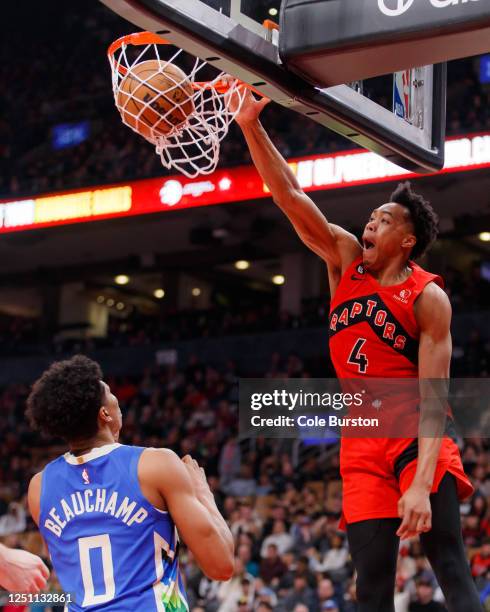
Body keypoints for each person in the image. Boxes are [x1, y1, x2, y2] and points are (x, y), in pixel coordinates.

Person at [233, 91, 482, 612]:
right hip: (361, 439)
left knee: (452, 569)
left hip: (416, 434)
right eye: (371, 216)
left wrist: (418, 483)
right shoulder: (345, 259)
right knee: (370, 586)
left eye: (384, 220)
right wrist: (251, 125)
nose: (371, 223)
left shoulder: (428, 297)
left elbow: (436, 397)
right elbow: (290, 195)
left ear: (407, 241)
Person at [26, 355, 234, 611]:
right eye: (111, 393)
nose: (116, 400)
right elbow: (221, 565)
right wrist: (204, 494)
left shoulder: (39, 487)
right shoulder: (155, 465)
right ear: (104, 414)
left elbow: (66, 567)